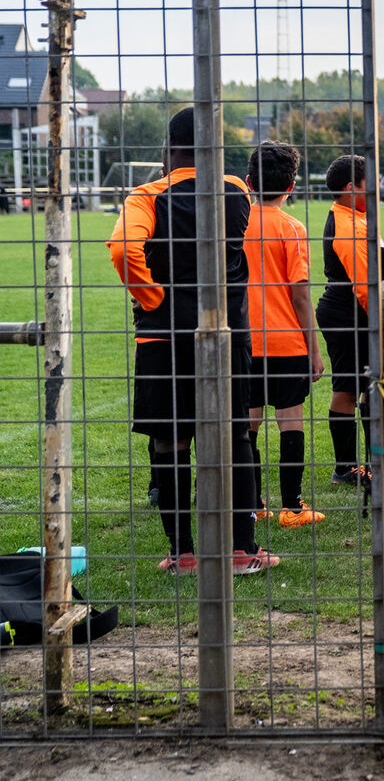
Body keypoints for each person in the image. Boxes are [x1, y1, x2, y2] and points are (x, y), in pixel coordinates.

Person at [107, 107, 276, 575]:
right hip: (224, 332)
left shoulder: (146, 195)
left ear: (170, 147)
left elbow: (123, 249)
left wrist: (151, 296)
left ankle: (182, 553)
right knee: (235, 433)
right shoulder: (238, 190)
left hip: (164, 335)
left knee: (170, 441)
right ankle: (242, 550)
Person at [243, 141, 326, 530]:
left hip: (243, 342)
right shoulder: (292, 228)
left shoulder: (234, 222)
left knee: (247, 425)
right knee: (290, 421)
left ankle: (252, 504)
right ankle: (292, 507)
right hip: (286, 342)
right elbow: (299, 293)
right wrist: (314, 348)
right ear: (292, 185)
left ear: (248, 181)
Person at [316, 155, 384, 491]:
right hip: (348, 313)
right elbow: (364, 285)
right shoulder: (348, 224)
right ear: (351, 188)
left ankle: (367, 462)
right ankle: (346, 468)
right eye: (370, 183)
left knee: (365, 388)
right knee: (348, 388)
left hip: (351, 312)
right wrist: (382, 321)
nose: (376, 189)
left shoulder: (356, 217)